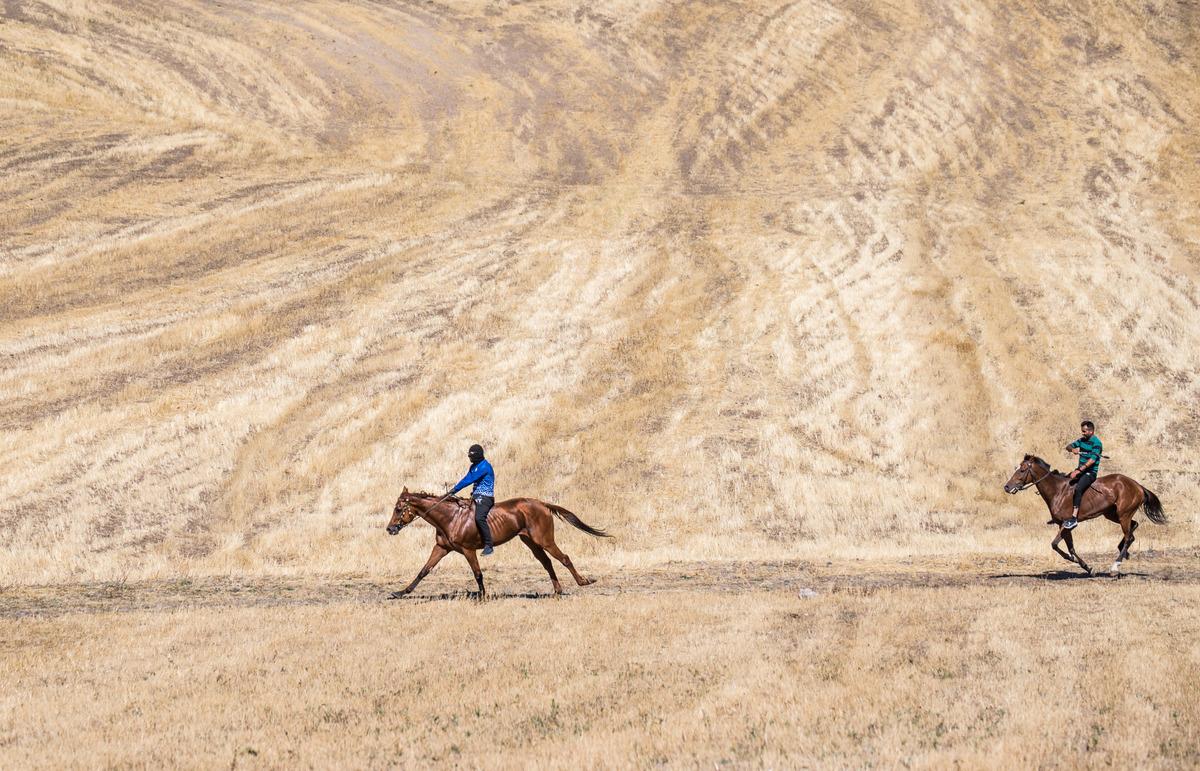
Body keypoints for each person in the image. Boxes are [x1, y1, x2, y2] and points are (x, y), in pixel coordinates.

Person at [449, 444, 496, 555]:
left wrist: (454, 490)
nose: (469, 457)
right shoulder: (474, 466)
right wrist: (452, 490)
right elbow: (466, 478)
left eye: (471, 455)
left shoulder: (485, 466)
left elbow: (470, 480)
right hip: (475, 497)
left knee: (479, 517)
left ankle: (489, 545)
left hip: (486, 497)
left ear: (477, 456)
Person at [1063, 420, 1102, 530]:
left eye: (1084, 431)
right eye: (1082, 431)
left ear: (1091, 431)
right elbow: (1068, 446)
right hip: (1080, 470)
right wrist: (1072, 449)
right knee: (1065, 481)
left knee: (1078, 488)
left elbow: (1092, 461)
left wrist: (1079, 471)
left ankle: (1074, 518)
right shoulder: (1082, 440)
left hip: (1090, 472)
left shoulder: (1097, 443)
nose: (1083, 433)